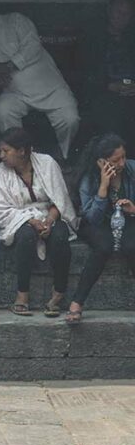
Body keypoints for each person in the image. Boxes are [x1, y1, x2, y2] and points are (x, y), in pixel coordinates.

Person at [0, 127, 78, 317]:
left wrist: (49, 221)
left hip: (49, 213)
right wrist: (31, 221)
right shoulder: (0, 171)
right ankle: (22, 296)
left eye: (6, 151)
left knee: (60, 237)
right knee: (26, 237)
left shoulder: (47, 164)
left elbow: (59, 199)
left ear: (21, 151)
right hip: (18, 216)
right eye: (1, 151)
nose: (1, 156)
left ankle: (58, 294)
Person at [65, 133, 135, 325]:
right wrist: (103, 188)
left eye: (123, 156)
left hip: (127, 220)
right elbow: (92, 218)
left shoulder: (131, 169)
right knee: (103, 247)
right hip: (97, 224)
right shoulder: (89, 179)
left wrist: (133, 209)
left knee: (132, 246)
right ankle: (77, 303)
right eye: (115, 160)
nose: (121, 163)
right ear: (101, 162)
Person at [0, 12, 80, 162]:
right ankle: (20, 153)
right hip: (14, 92)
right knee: (4, 112)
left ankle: (61, 154)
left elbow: (33, 46)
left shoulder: (15, 20)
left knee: (70, 119)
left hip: (49, 88)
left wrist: (9, 65)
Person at [81, 0, 135, 143]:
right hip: (104, 92)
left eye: (127, 14)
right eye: (119, 11)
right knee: (111, 118)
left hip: (131, 92)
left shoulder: (131, 38)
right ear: (109, 10)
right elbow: (85, 73)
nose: (121, 17)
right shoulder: (93, 37)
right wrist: (110, 86)